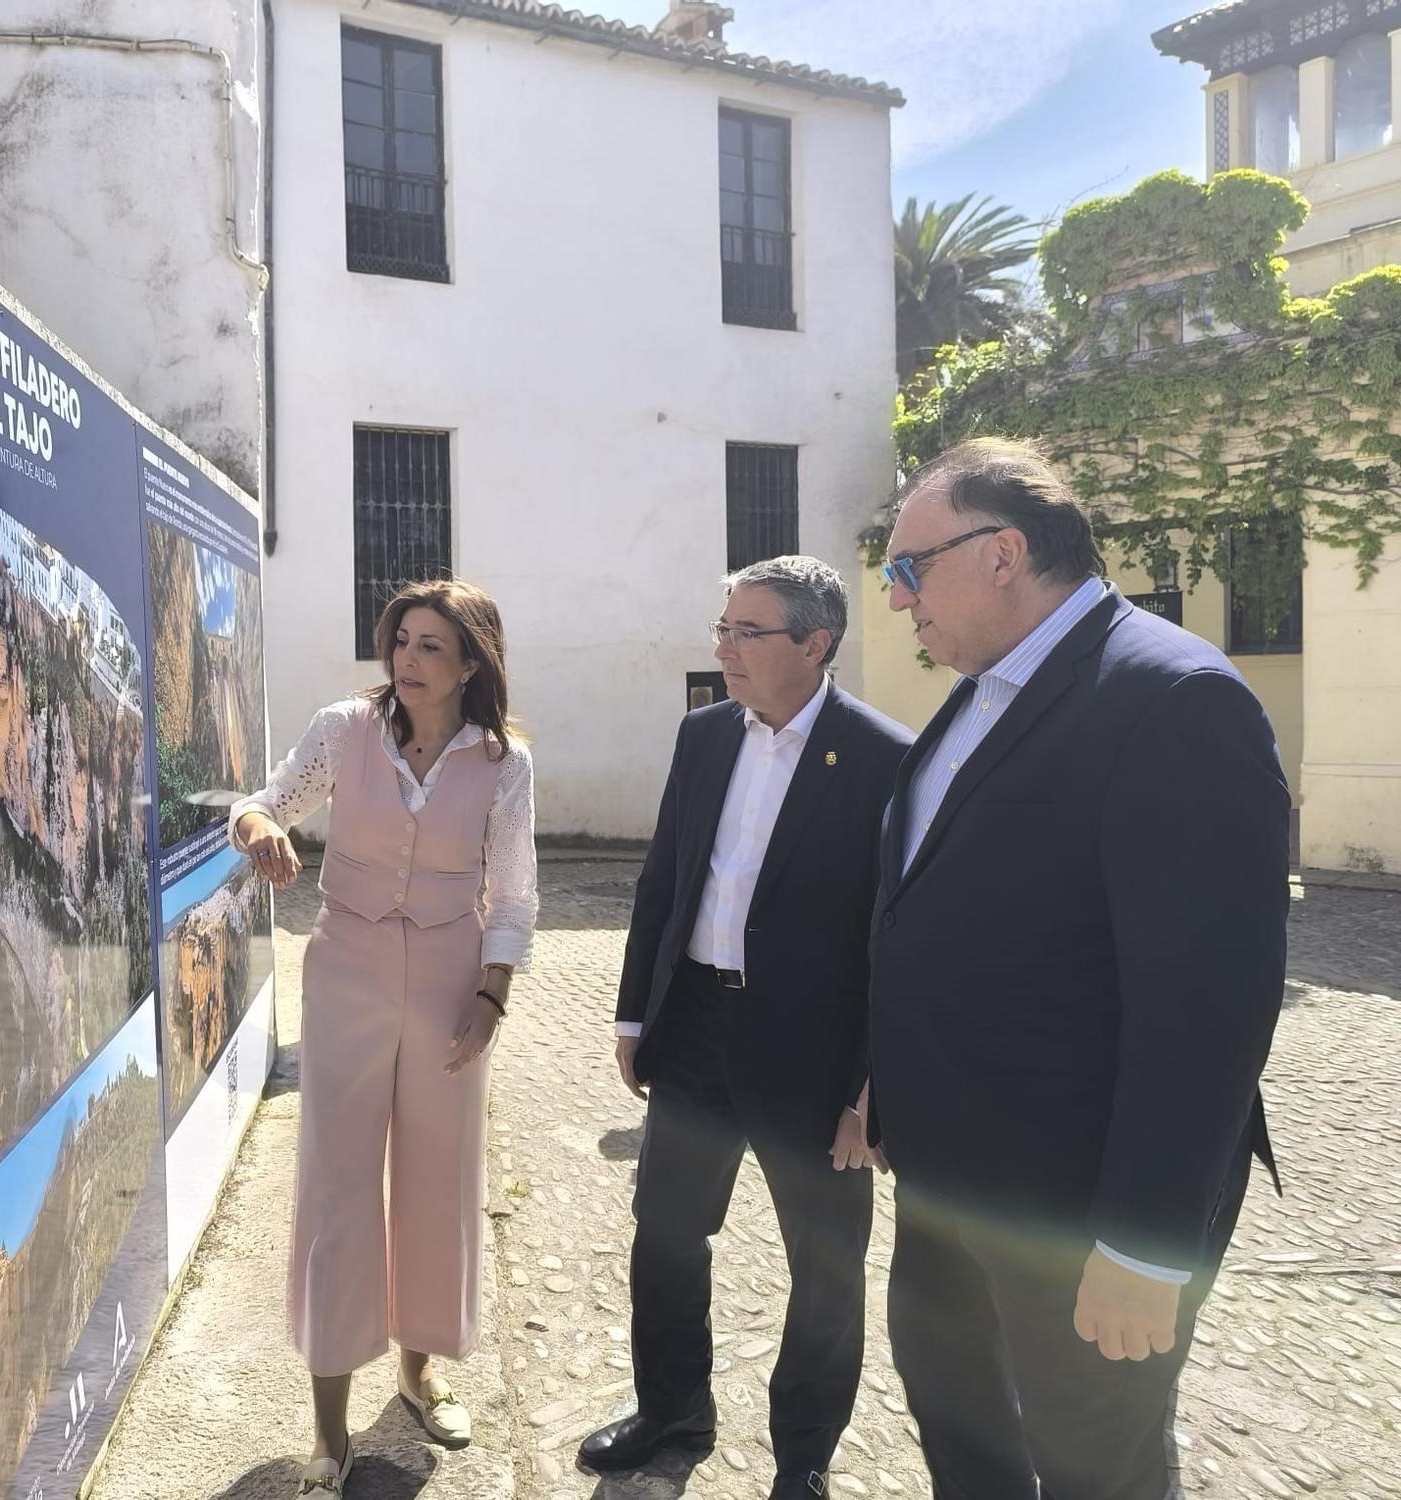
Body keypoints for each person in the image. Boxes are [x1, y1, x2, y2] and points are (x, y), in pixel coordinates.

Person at [869, 438, 1288, 1499]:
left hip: (1078, 1209)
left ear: (1002, 551)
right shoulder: (975, 698)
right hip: (950, 1185)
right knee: (960, 1428)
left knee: (1093, 1466)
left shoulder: (1171, 698)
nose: (894, 598)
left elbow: (1206, 1006)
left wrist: (1144, 1244)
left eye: (909, 566)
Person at [579, 558, 912, 1499]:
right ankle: (674, 1409)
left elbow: (896, 938)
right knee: (668, 1232)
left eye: (746, 633)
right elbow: (665, 879)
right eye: (722, 628)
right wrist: (637, 1012)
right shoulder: (704, 737)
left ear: (815, 644)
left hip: (811, 1054)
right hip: (695, 1027)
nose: (722, 649)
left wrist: (869, 1088)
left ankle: (802, 1455)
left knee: (824, 1259)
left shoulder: (885, 759)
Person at [230, 578, 537, 1496]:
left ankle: (417, 1373)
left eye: (431, 645)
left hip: (450, 985)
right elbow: (266, 801)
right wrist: (258, 831)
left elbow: (515, 894)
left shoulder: (502, 761)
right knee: (338, 1182)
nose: (407, 658)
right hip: (348, 977)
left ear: (471, 662)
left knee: (439, 1181)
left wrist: (492, 997)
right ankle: (329, 1428)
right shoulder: (342, 729)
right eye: (400, 639)